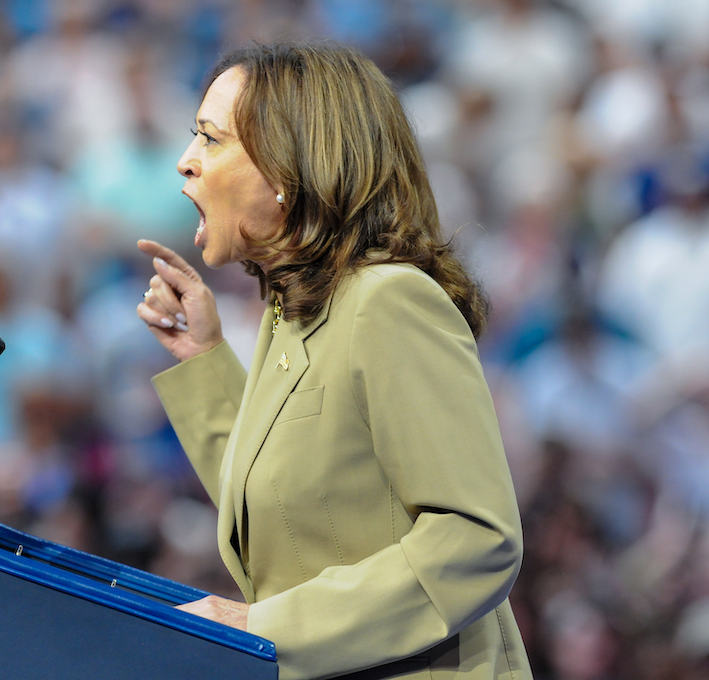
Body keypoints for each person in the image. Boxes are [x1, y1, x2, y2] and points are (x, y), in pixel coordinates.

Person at [136, 41, 532, 680]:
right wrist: (204, 359)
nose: (185, 163)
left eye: (210, 140)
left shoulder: (388, 300)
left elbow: (477, 540)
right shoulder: (291, 309)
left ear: (289, 170)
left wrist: (261, 630)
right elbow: (282, 517)